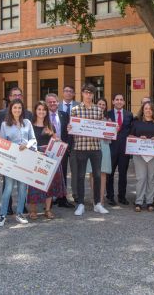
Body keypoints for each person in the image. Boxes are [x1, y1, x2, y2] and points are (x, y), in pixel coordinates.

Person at [68, 83, 109, 216]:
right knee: (80, 176)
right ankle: (80, 204)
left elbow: (102, 128)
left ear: (93, 95)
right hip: (81, 147)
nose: (88, 95)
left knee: (97, 176)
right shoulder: (75, 109)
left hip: (96, 147)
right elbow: (72, 127)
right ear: (82, 94)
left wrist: (109, 129)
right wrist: (70, 128)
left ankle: (97, 203)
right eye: (86, 92)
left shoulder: (98, 110)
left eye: (91, 93)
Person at [0, 99, 37, 227]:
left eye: (19, 108)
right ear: (11, 109)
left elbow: (33, 140)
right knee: (8, 188)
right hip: (11, 161)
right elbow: (3, 144)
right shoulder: (5, 125)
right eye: (15, 108)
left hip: (25, 159)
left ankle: (19, 213)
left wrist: (27, 144)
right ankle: (2, 214)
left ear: (22, 109)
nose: (17, 110)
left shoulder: (27, 123)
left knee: (22, 188)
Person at [27, 101, 66, 220]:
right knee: (34, 184)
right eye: (39, 109)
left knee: (48, 184)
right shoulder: (30, 125)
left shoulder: (50, 126)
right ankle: (33, 210)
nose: (41, 112)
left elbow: (55, 141)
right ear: (35, 111)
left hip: (48, 157)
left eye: (44, 110)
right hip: (35, 156)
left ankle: (47, 210)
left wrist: (55, 138)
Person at [129, 101, 154, 212]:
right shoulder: (136, 122)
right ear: (143, 110)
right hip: (139, 154)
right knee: (141, 178)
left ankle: (150, 201)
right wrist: (139, 139)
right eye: (146, 108)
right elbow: (130, 136)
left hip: (153, 155)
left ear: (153, 110)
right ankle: (139, 201)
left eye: (150, 108)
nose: (148, 110)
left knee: (152, 178)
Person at [45, 93, 74, 208]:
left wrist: (68, 147)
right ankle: (49, 201)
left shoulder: (64, 115)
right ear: (47, 103)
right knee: (48, 175)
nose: (52, 104)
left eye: (54, 101)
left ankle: (62, 199)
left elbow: (69, 132)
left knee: (62, 174)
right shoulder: (43, 116)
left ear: (58, 102)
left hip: (62, 150)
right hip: (48, 150)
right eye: (50, 102)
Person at [106, 93, 133, 206]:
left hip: (124, 149)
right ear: (113, 102)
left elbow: (131, 131)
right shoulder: (107, 114)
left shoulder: (129, 114)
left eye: (121, 99)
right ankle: (110, 197)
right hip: (111, 148)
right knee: (109, 174)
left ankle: (122, 196)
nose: (119, 101)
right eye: (116, 99)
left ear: (124, 102)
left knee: (123, 174)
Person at [86, 98, 112, 205]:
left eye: (103, 104)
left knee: (102, 173)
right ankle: (94, 198)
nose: (101, 106)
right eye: (99, 104)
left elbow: (110, 139)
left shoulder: (108, 120)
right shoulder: (90, 118)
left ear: (105, 107)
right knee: (92, 173)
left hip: (104, 147)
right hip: (91, 147)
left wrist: (112, 130)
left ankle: (101, 199)